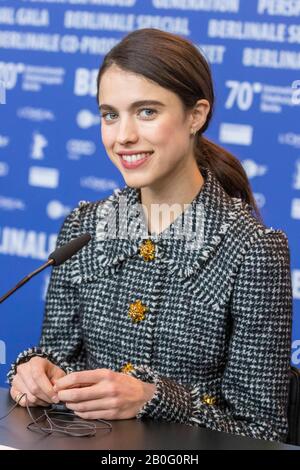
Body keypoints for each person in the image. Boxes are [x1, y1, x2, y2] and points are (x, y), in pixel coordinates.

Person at [8, 28, 292, 442]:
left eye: (146, 112)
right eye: (110, 114)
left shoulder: (253, 250)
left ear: (196, 115)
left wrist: (152, 397)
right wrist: (37, 372)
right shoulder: (84, 227)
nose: (122, 136)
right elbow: (58, 357)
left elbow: (263, 431)